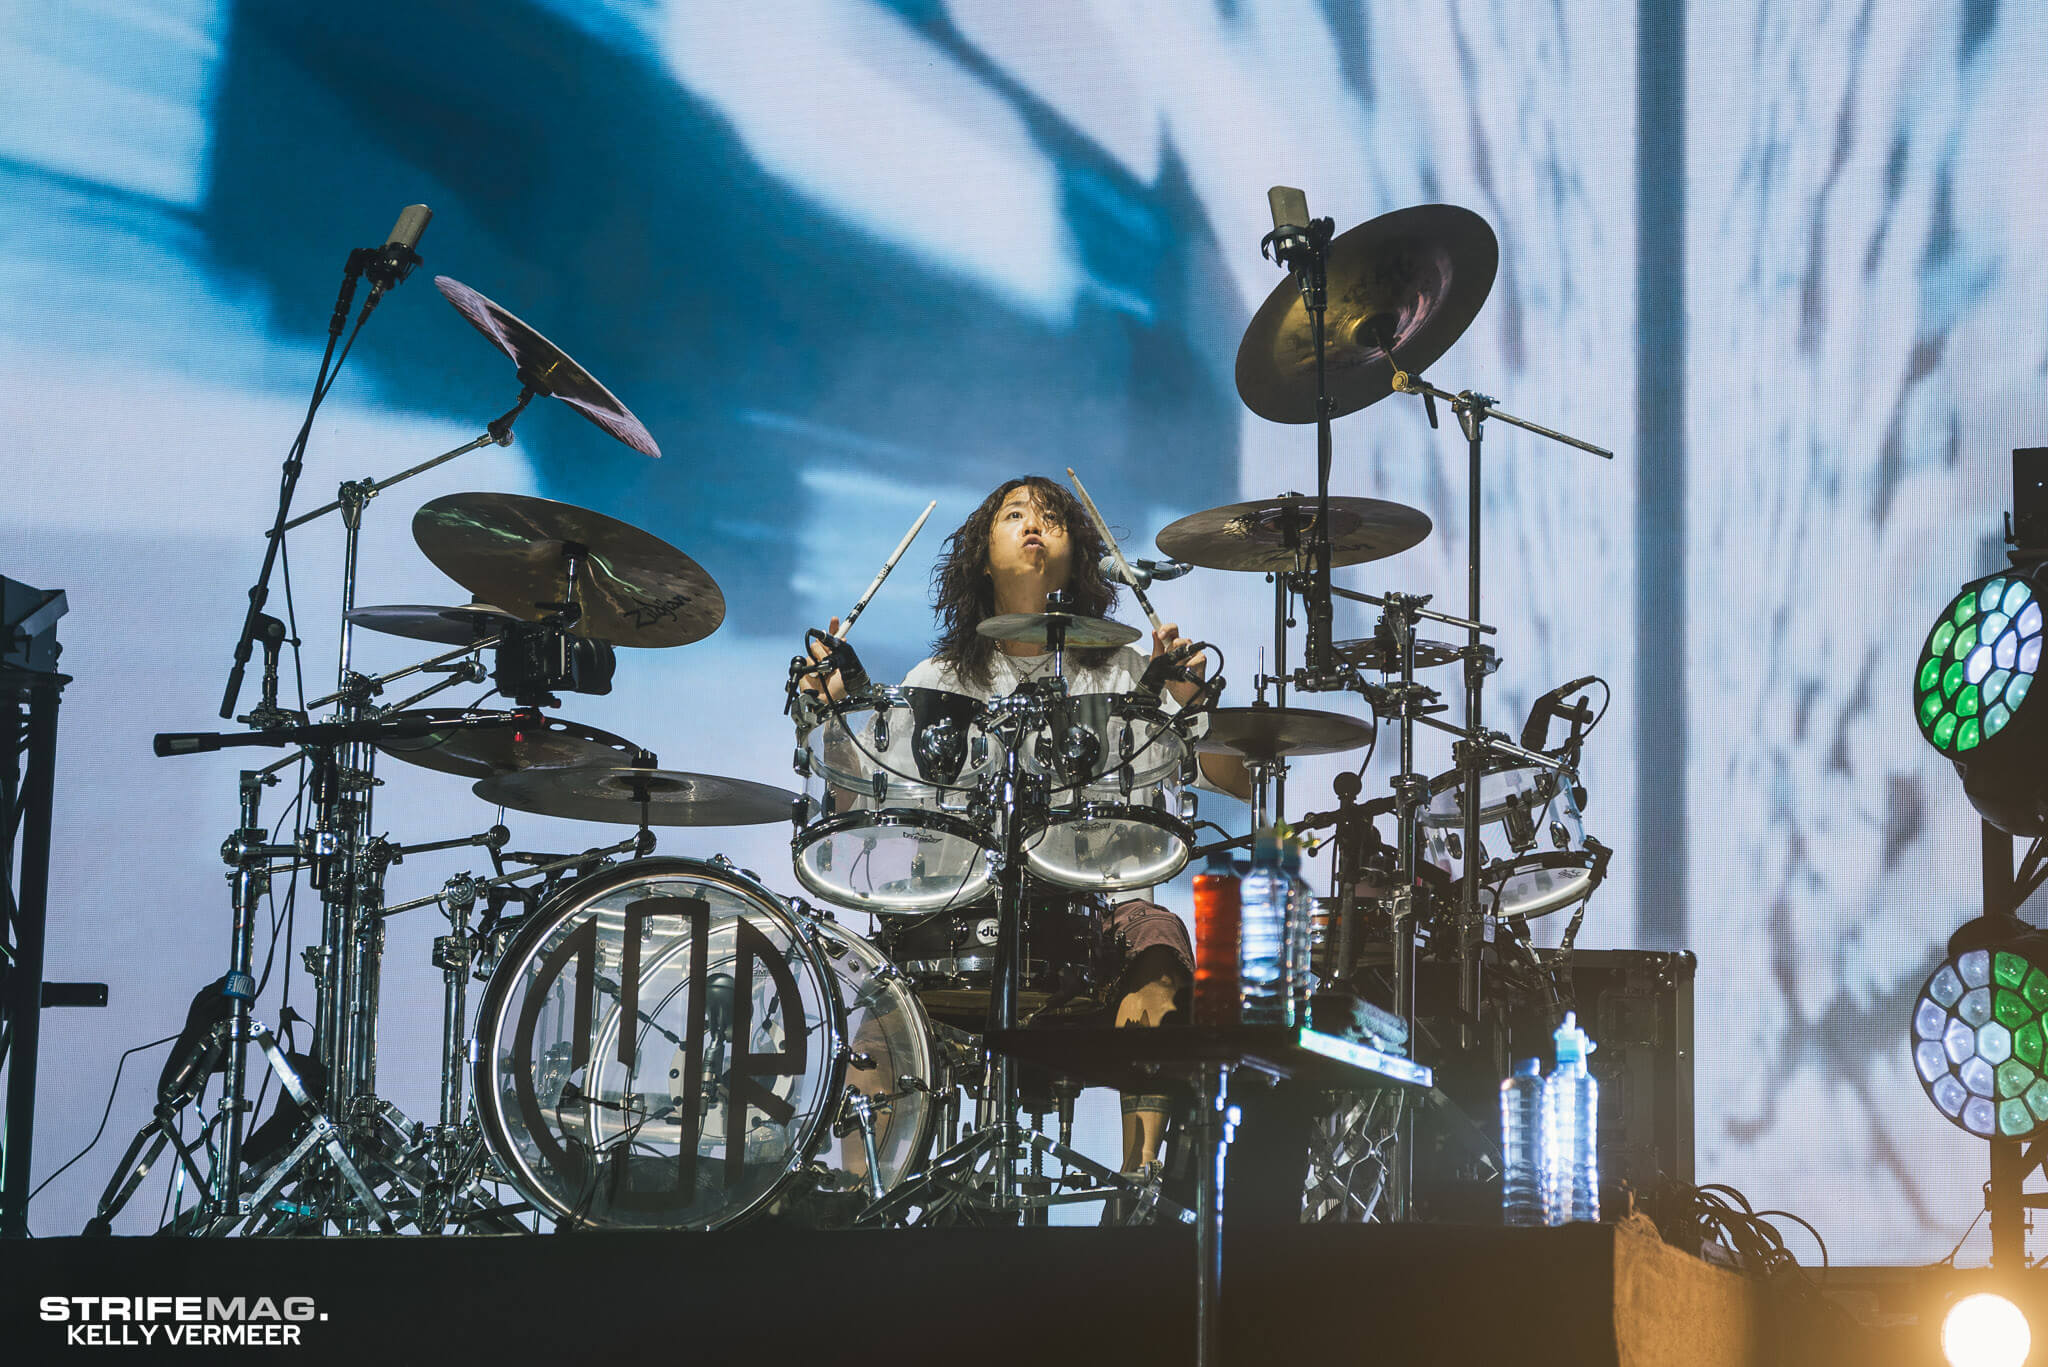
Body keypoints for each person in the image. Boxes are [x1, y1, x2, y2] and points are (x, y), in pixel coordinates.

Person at [803, 475, 1250, 1174]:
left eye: (1051, 518)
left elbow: (1241, 777)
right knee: (880, 1000)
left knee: (1161, 940)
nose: (1033, 524)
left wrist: (1191, 704)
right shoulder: (937, 680)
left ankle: (1138, 1189)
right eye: (1014, 515)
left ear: (1079, 557)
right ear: (983, 557)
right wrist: (834, 720)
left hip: (1100, 911)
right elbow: (857, 808)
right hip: (962, 910)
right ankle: (862, 1202)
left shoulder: (1129, 672)